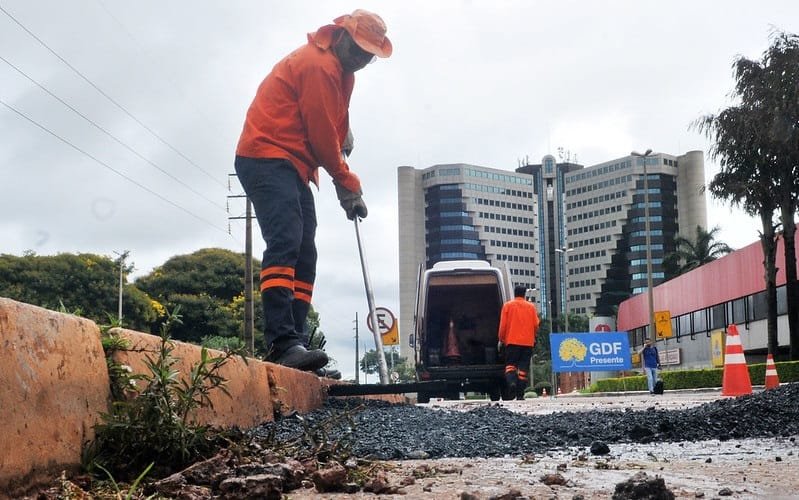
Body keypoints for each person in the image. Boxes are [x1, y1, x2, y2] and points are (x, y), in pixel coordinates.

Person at [234, 10, 392, 373]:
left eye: (370, 55)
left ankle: (298, 345)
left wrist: (343, 131)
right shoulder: (318, 64)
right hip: (266, 155)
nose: (363, 59)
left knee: (306, 253)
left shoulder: (343, 72)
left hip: (293, 164)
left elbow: (333, 118)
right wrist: (347, 183)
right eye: (359, 50)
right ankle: (282, 342)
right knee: (286, 240)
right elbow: (322, 136)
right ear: (340, 36)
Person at [498, 286, 540, 400]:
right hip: (527, 343)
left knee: (510, 366)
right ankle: (520, 395)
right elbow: (536, 325)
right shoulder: (531, 307)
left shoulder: (508, 306)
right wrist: (533, 336)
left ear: (515, 294)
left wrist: (502, 339)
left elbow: (503, 326)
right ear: (524, 294)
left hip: (512, 341)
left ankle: (512, 383)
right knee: (523, 370)